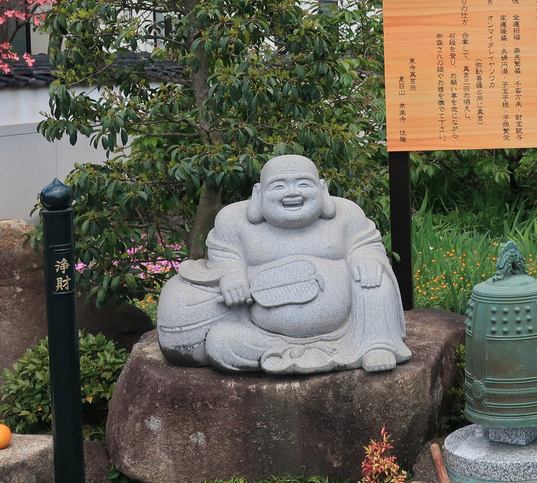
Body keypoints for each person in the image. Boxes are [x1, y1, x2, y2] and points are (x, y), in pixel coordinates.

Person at [157, 155, 410, 374]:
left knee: (373, 277)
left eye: (303, 184)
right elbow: (224, 256)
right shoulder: (234, 221)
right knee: (220, 344)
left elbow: (366, 244)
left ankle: (376, 345)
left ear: (322, 189)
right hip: (264, 334)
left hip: (348, 332)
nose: (293, 193)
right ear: (259, 193)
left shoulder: (347, 215)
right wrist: (232, 276)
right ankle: (281, 353)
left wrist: (366, 258)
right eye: (279, 186)